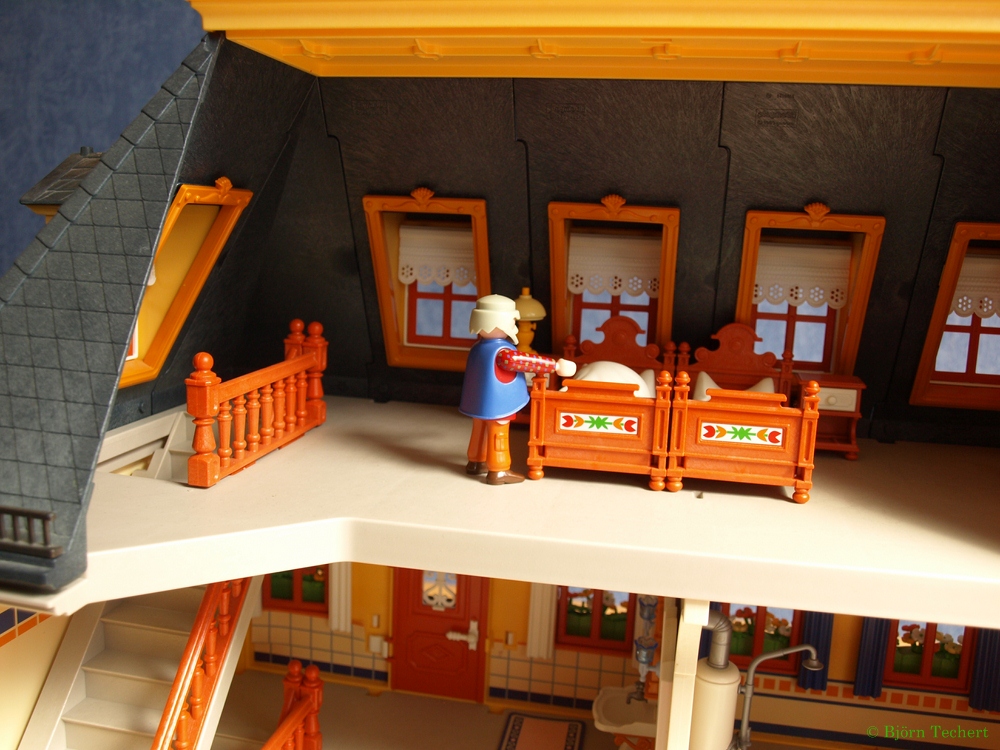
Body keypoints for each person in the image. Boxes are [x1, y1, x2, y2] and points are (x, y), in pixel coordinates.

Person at [460, 295, 577, 484]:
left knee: (479, 431)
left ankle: (476, 461)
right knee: (498, 434)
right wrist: (555, 366)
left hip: (478, 402)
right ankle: (499, 470)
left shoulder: (478, 348)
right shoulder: (503, 353)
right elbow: (526, 361)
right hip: (499, 403)